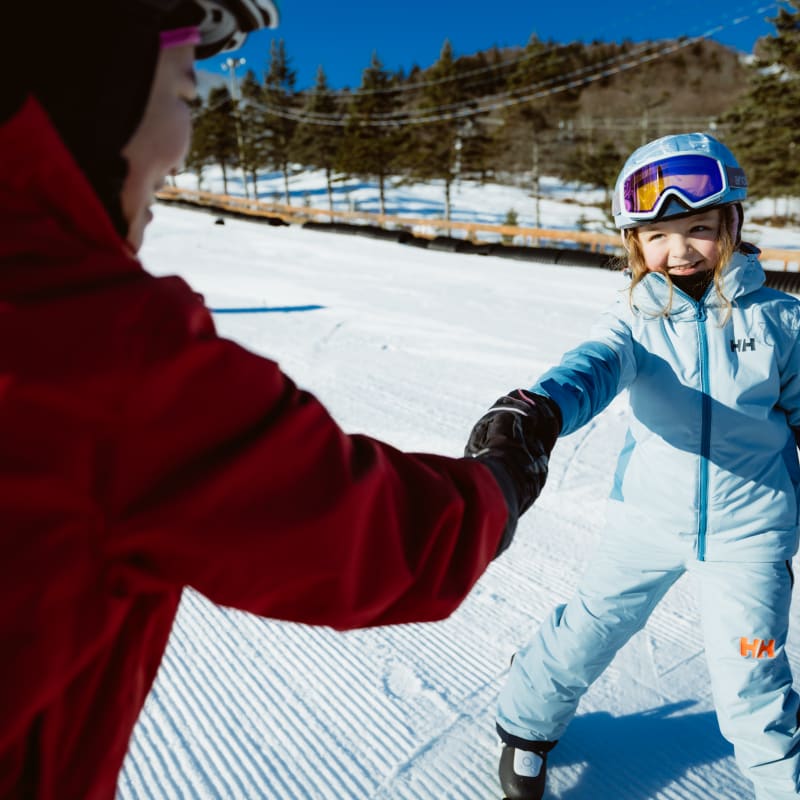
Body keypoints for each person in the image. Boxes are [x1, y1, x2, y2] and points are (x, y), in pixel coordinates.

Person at [0, 2, 550, 797]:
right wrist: (500, 480)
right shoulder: (94, 343)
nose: (184, 152)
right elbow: (361, 532)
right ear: (96, 85)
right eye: (187, 95)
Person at [466, 132, 800, 799]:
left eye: (699, 228)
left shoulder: (783, 322)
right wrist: (538, 412)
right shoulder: (633, 322)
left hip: (751, 532)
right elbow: (588, 369)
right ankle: (526, 725)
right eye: (657, 235)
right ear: (634, 242)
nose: (678, 252)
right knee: (590, 627)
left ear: (732, 221)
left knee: (755, 672)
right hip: (646, 519)